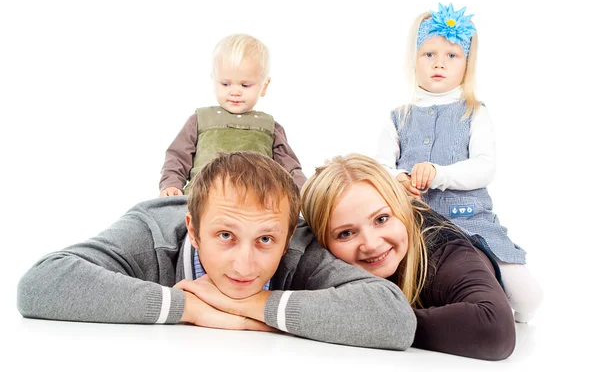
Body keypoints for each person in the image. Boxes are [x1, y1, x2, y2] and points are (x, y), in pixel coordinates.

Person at [17, 151, 415, 351]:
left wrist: (251, 306)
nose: (245, 264)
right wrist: (190, 308)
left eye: (265, 240)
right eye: (225, 235)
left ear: (288, 232)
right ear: (193, 228)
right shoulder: (152, 228)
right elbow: (41, 283)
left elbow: (394, 319)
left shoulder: (298, 242)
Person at [374, 3, 542, 323]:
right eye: (429, 55)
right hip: (418, 225)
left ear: (467, 64)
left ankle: (497, 298)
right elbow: (380, 166)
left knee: (530, 299)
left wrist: (439, 173)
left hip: (473, 223)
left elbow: (484, 166)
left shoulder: (474, 111)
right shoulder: (398, 116)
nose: (439, 63)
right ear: (414, 61)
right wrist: (400, 178)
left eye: (452, 56)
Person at [301, 153, 515, 360]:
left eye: (381, 219)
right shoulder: (320, 257)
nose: (372, 244)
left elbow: (495, 328)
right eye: (345, 234)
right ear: (322, 242)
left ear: (402, 208)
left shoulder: (444, 253)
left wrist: (369, 321)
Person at [159, 33, 306, 196]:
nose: (234, 91)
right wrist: (171, 184)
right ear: (214, 82)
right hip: (203, 199)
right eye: (225, 84)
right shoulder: (200, 120)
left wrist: (306, 193)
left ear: (264, 86)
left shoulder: (269, 127)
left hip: (256, 202)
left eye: (245, 85)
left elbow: (290, 169)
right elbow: (177, 156)